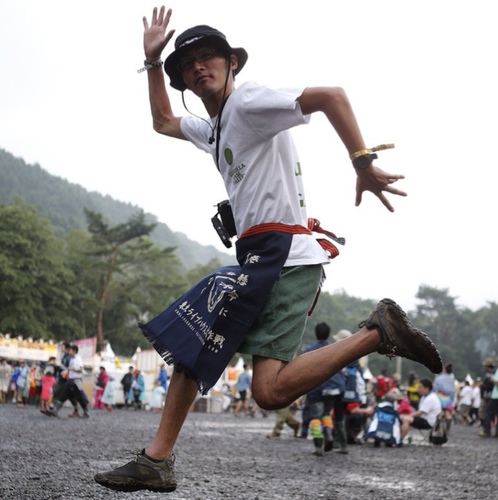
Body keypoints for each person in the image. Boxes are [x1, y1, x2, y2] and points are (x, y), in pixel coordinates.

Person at [94, 6, 442, 493]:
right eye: (189, 63)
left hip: (288, 257)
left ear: (231, 63)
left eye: (209, 55)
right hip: (257, 258)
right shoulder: (212, 128)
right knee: (217, 358)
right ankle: (156, 461)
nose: (199, 66)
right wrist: (153, 61)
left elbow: (330, 96)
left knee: (263, 387)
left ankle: (375, 334)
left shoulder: (249, 103)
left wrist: (361, 161)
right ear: (186, 81)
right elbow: (161, 121)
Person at [48, 345, 90, 418]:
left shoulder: (78, 359)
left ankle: (85, 412)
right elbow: (68, 369)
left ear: (74, 351)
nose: (69, 351)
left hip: (76, 381)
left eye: (70, 350)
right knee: (64, 395)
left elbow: (80, 370)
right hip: (70, 380)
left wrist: (74, 369)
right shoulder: (72, 359)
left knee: (79, 396)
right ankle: (55, 410)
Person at [433, 363, 456, 432]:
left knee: (440, 412)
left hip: (440, 396)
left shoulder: (439, 378)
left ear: (445, 369)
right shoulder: (452, 379)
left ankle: (438, 426)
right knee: (447, 412)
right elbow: (453, 390)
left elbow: (435, 388)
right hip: (448, 398)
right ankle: (448, 426)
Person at [479, 363, 498, 438]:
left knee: (489, 413)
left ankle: (486, 431)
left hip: (496, 395)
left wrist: (492, 379)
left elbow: (496, 381)